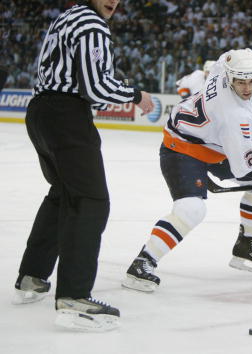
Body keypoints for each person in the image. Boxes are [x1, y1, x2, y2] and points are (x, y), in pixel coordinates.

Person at [12, 0, 154, 331]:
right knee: (90, 201)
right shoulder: (91, 24)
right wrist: (135, 94)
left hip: (41, 113)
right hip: (66, 117)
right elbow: (94, 87)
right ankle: (75, 297)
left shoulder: (67, 18)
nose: (113, 1)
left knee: (63, 193)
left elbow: (88, 87)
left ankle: (32, 276)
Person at [121, 48, 252, 292]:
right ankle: (143, 262)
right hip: (182, 147)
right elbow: (246, 170)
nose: (246, 88)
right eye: (240, 82)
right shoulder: (236, 116)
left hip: (212, 143)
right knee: (192, 208)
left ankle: (246, 244)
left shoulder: (223, 68)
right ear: (231, 78)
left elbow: (232, 54)